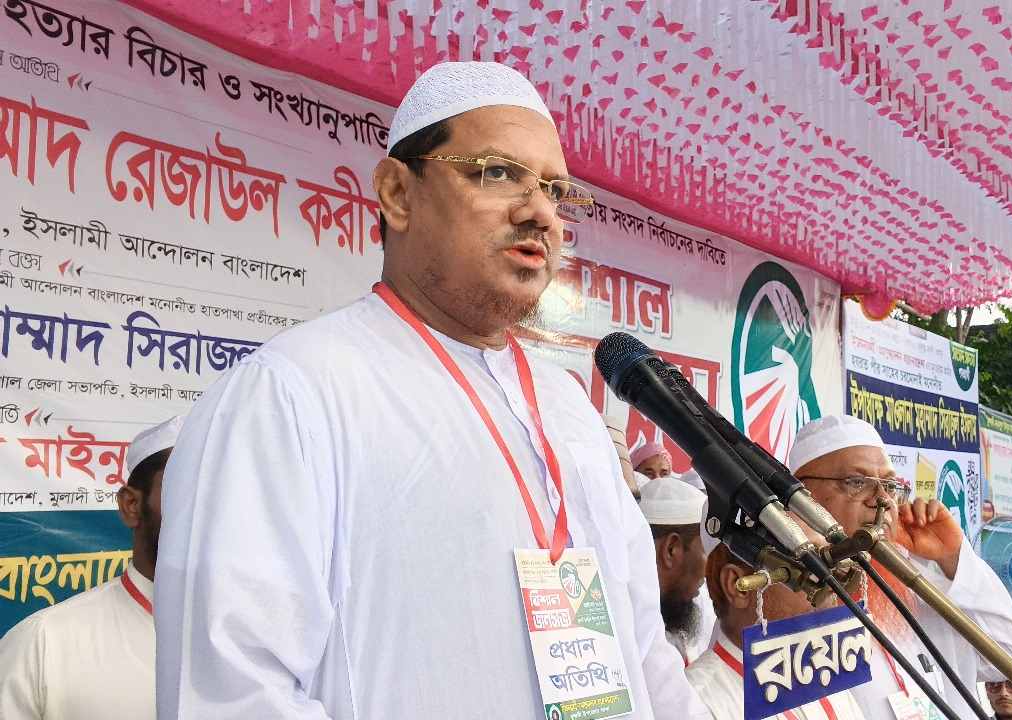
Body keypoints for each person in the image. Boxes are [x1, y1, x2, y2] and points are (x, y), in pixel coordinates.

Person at [154, 61, 709, 719]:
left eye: (555, 190)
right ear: (397, 193)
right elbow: (232, 692)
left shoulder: (568, 409)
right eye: (496, 172)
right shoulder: (290, 394)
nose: (541, 212)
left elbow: (642, 648)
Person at [787, 415, 1012, 720]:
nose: (882, 500)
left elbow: (1009, 661)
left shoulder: (919, 582)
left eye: (889, 485)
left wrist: (951, 557)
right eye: (857, 482)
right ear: (804, 496)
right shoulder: (783, 599)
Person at [0, 416, 182, 720]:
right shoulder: (45, 644)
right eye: (188, 488)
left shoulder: (259, 639)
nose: (209, 510)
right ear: (131, 505)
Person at [686, 542, 867, 720]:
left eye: (831, 565)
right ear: (737, 587)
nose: (831, 586)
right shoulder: (696, 706)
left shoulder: (824, 672)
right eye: (810, 568)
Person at [639, 476, 709, 665]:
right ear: (672, 549)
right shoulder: (637, 637)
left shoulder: (664, 624)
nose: (710, 569)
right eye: (706, 549)